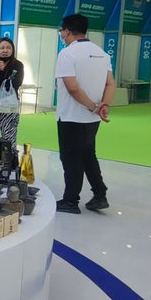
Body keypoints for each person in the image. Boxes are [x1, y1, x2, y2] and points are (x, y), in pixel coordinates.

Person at [54, 13, 115, 214]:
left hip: (71, 117)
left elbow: (72, 88)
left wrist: (93, 106)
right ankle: (100, 194)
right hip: (92, 119)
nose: (62, 35)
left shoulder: (67, 54)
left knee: (71, 158)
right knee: (88, 155)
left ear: (67, 31)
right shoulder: (102, 54)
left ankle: (71, 200)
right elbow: (110, 83)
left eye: (62, 31)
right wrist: (104, 105)